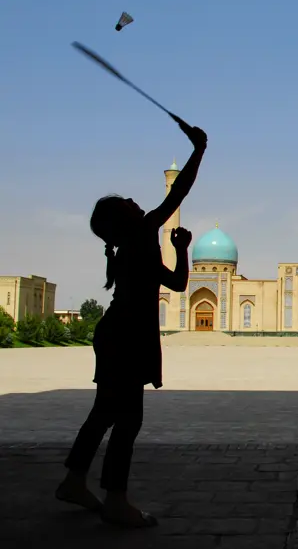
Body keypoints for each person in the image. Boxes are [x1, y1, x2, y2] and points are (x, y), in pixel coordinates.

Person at [56, 118, 207, 529]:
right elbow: (178, 193)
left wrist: (182, 250)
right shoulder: (141, 234)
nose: (138, 205)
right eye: (129, 204)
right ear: (124, 221)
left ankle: (73, 479)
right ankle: (116, 500)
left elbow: (176, 283)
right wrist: (199, 150)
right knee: (127, 420)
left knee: (105, 412)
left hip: (116, 333)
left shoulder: (133, 250)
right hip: (127, 335)